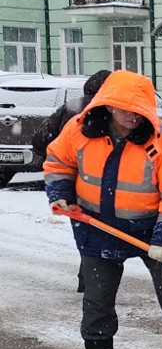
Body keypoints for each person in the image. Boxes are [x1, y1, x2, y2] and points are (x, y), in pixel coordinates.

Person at [43, 70, 162, 349]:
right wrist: (61, 195)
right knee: (98, 300)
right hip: (97, 230)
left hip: (152, 232)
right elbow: (57, 162)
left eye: (139, 110)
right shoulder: (80, 130)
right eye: (125, 109)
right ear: (108, 105)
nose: (133, 116)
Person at [32, 69, 111, 293]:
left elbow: (39, 141)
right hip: (99, 182)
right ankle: (94, 282)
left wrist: (60, 153)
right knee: (102, 229)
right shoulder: (112, 110)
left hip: (69, 182)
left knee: (86, 230)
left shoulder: (72, 107)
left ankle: (89, 280)